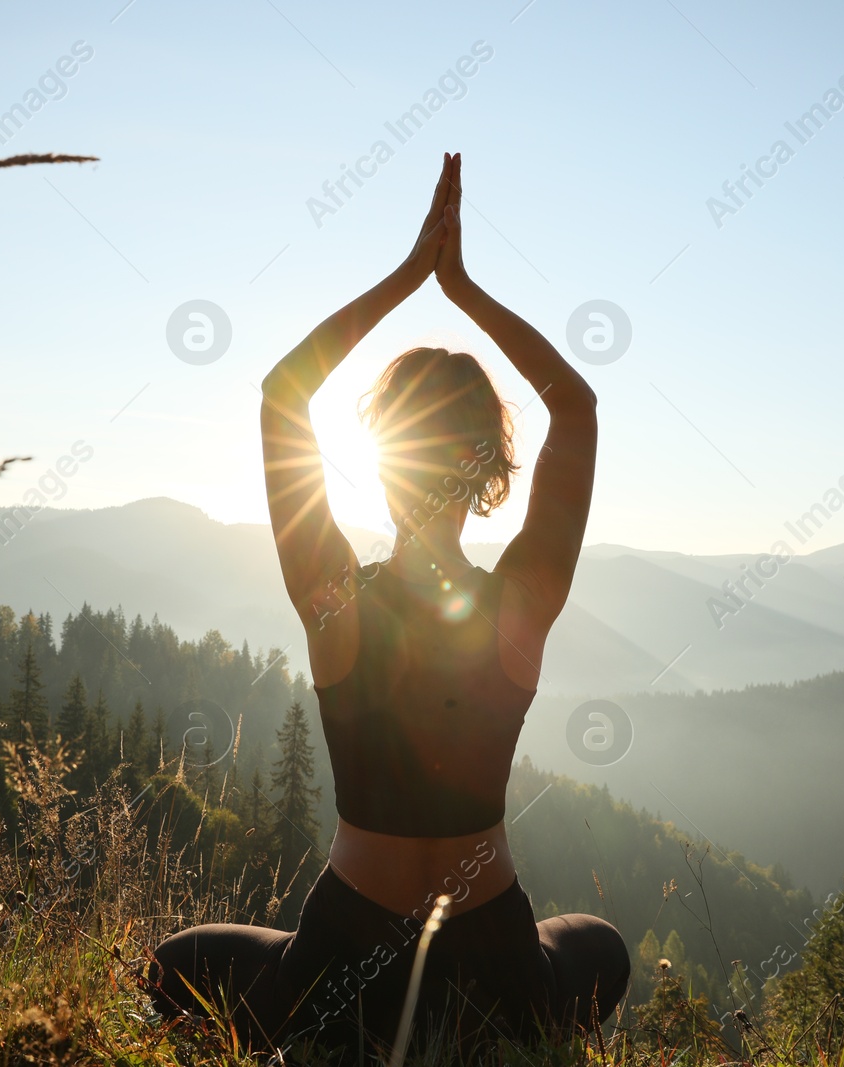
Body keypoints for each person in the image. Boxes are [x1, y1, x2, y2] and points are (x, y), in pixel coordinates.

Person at [148, 153, 628, 1059]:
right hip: (495, 959)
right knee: (597, 944)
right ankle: (493, 1028)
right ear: (491, 465)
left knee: (177, 962)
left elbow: (280, 394)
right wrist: (463, 288)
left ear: (380, 458)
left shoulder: (336, 600)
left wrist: (409, 277)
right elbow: (576, 406)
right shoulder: (523, 600)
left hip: (344, 956)